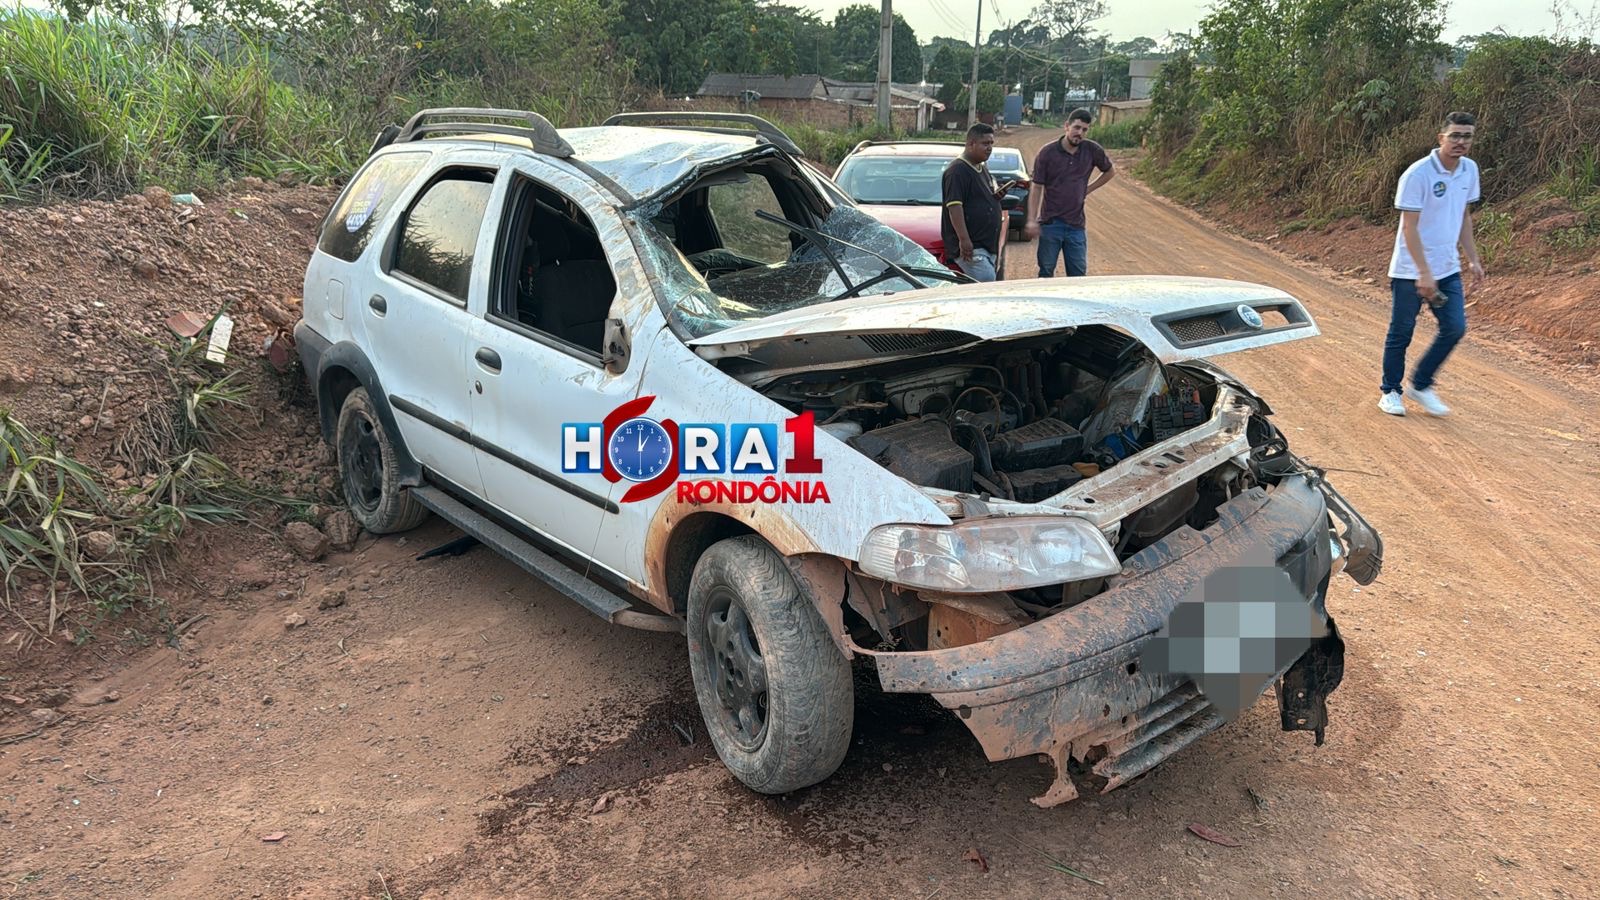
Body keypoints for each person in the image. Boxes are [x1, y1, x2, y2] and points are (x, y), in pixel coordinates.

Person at [1378, 111, 1485, 417]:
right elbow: (1409, 227)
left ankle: (1421, 384)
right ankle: (1391, 391)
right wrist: (1423, 274)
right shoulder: (1418, 174)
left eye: (1467, 136)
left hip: (1447, 267)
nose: (1461, 142)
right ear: (1441, 138)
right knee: (1401, 331)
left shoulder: (1469, 170)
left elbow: (1463, 217)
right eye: (1455, 136)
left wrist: (1473, 259)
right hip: (1410, 270)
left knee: (1454, 328)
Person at [1025, 107, 1114, 277]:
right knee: (1046, 272)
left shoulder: (1091, 150)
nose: (1080, 133)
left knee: (1078, 276)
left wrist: (1088, 189)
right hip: (1050, 224)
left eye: (1085, 130)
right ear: (1067, 126)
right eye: (1077, 128)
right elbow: (1036, 187)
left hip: (1076, 226)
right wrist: (1031, 220)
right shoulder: (1047, 153)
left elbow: (1110, 171)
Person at [941, 122, 1005, 282]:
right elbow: (954, 206)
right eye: (985, 143)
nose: (989, 147)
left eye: (991, 143)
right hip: (972, 249)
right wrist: (964, 240)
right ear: (971, 144)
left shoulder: (982, 168)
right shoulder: (957, 171)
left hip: (986, 246)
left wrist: (996, 196)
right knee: (986, 288)